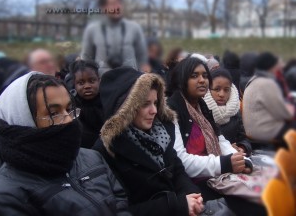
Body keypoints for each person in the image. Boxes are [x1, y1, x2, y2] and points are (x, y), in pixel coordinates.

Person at [0, 72, 130, 216]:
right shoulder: (7, 195)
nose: (68, 120)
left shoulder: (92, 158)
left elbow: (121, 203)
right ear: (23, 122)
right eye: (53, 113)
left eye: (68, 109)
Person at [93, 68, 204, 216]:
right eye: (145, 104)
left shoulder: (161, 132)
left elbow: (177, 170)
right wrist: (177, 205)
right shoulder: (106, 151)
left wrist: (192, 196)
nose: (154, 111)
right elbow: (118, 210)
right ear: (125, 109)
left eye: (155, 103)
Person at [167, 55, 266, 216]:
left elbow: (219, 139)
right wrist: (224, 163)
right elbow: (181, 161)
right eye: (194, 76)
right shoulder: (172, 109)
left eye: (205, 76)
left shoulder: (201, 105)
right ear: (182, 79)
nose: (202, 80)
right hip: (195, 186)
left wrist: (241, 159)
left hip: (217, 176)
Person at [81, 0, 148, 76]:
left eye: (119, 3)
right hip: (103, 82)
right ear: (103, 7)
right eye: (113, 4)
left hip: (130, 82)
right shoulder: (92, 30)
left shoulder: (134, 28)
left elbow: (142, 59)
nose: (117, 7)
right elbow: (86, 60)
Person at [243, 52, 295, 147]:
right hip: (265, 131)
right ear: (271, 66)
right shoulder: (267, 84)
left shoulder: (252, 80)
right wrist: (291, 110)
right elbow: (283, 114)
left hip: (251, 130)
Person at [203, 68, 252, 156]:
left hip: (234, 160)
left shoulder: (235, 111)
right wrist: (226, 149)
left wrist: (241, 147)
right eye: (217, 89)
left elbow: (244, 139)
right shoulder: (200, 111)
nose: (222, 94)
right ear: (208, 89)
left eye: (226, 90)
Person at [69, 60, 104, 149]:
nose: (87, 86)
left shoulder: (107, 101)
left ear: (99, 80)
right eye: (81, 83)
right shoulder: (72, 107)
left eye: (92, 81)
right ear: (74, 84)